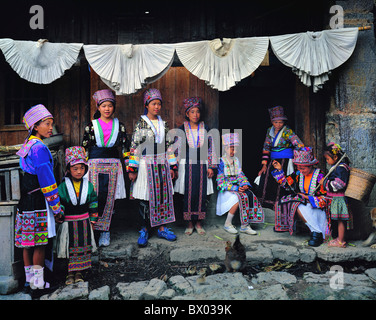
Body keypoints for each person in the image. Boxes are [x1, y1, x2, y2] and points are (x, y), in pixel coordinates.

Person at [15, 104, 63, 296]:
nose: (51, 128)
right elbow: (47, 181)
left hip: (26, 201)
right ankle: (38, 285)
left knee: (28, 243)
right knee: (40, 245)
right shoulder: (40, 149)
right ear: (36, 126)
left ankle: (29, 282)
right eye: (47, 124)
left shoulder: (27, 145)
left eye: (52, 124)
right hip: (38, 202)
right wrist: (56, 207)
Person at [127, 88, 178, 247]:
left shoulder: (164, 124)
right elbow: (135, 146)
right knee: (145, 197)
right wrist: (133, 169)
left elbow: (169, 145)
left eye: (159, 104)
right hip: (145, 165)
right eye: (153, 103)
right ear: (147, 105)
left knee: (162, 196)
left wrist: (172, 166)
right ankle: (144, 228)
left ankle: (161, 228)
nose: (156, 107)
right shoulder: (141, 123)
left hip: (161, 164)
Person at [82, 89, 128, 247]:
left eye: (110, 106)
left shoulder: (119, 126)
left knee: (110, 198)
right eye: (104, 106)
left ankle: (105, 231)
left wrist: (130, 167)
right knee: (95, 197)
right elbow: (85, 148)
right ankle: (92, 231)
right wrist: (82, 168)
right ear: (98, 108)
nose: (107, 109)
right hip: (94, 165)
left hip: (113, 165)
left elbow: (125, 148)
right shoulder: (91, 126)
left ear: (113, 107)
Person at [174, 97, 217, 235]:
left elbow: (211, 148)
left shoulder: (206, 128)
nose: (195, 115)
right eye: (192, 112)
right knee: (188, 194)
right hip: (186, 165)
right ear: (187, 113)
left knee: (201, 194)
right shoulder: (182, 129)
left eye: (197, 112)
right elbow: (176, 149)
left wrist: (211, 166)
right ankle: (189, 223)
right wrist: (174, 167)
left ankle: (199, 223)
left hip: (202, 164)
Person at [56, 146, 98, 285]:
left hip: (84, 222)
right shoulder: (63, 187)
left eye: (82, 168)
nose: (79, 171)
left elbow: (93, 203)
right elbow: (60, 203)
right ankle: (69, 274)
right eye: (75, 168)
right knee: (70, 247)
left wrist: (92, 220)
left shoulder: (89, 186)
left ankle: (79, 272)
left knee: (82, 247)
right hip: (69, 223)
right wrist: (59, 214)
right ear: (68, 169)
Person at [272, 147, 328, 247]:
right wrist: (280, 170)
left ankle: (317, 232)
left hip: (318, 208)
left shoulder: (319, 176)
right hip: (305, 205)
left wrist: (307, 198)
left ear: (311, 166)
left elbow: (325, 199)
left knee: (300, 206)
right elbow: (286, 184)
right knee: (295, 205)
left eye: (303, 168)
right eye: (298, 167)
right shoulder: (298, 174)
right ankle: (315, 232)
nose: (300, 170)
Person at [216, 133, 264, 235]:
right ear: (225, 148)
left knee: (249, 194)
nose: (235, 151)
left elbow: (240, 175)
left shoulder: (236, 160)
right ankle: (228, 224)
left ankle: (245, 226)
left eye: (236, 149)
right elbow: (220, 182)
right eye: (232, 148)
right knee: (237, 198)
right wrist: (235, 188)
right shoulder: (221, 162)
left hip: (237, 188)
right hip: (226, 190)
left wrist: (245, 184)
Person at [257, 106, 304, 208]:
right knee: (267, 180)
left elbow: (299, 145)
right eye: (275, 122)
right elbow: (266, 147)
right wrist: (264, 165)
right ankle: (269, 206)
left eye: (281, 122)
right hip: (273, 160)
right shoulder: (270, 130)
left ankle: (282, 206)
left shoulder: (287, 131)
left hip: (286, 160)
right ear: (271, 121)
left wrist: (298, 161)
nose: (278, 125)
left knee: (283, 182)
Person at [319, 142, 352, 248]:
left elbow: (339, 184)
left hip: (338, 198)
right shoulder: (336, 167)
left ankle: (341, 241)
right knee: (338, 219)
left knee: (340, 220)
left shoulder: (341, 168)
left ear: (336, 157)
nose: (327, 162)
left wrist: (324, 183)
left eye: (328, 159)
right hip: (334, 198)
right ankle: (338, 238)